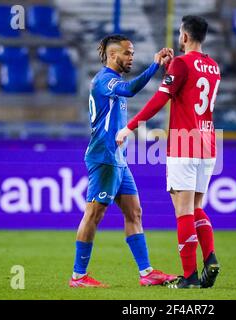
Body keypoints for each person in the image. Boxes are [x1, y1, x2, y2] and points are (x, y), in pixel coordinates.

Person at [116, 16, 221, 289]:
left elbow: (161, 98)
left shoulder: (182, 63)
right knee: (197, 207)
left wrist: (129, 127)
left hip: (184, 143)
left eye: (179, 33)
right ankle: (210, 258)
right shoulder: (213, 66)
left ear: (184, 37)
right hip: (208, 142)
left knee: (183, 210)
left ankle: (189, 277)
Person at [69, 34, 177, 288]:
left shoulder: (114, 81)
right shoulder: (105, 81)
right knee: (94, 214)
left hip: (118, 159)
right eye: (127, 53)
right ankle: (78, 276)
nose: (131, 57)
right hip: (104, 158)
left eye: (132, 53)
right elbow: (130, 90)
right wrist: (154, 66)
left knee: (134, 212)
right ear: (113, 55)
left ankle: (146, 272)